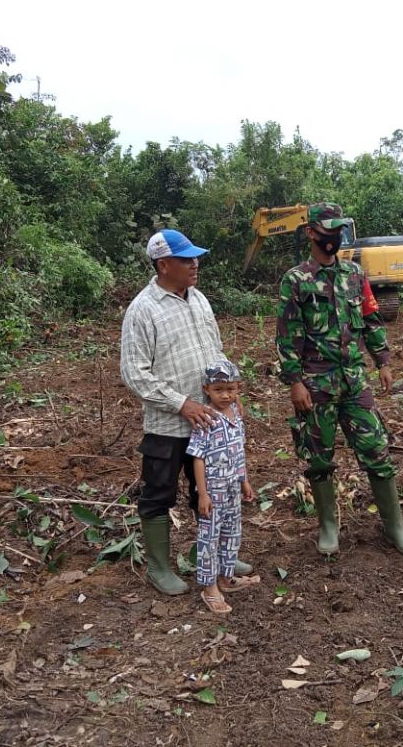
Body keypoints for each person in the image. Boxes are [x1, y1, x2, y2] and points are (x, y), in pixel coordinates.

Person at [275, 202, 403, 556]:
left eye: (338, 231)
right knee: (319, 456)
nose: (334, 238)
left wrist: (382, 360)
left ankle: (394, 526)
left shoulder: (354, 274)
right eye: (327, 231)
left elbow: (370, 318)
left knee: (376, 450)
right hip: (314, 384)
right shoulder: (296, 280)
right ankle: (328, 527)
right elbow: (287, 335)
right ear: (311, 232)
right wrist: (294, 382)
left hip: (354, 381)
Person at [121, 229, 252, 596]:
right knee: (159, 493)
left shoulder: (199, 300)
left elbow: (216, 349)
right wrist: (182, 403)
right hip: (168, 425)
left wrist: (228, 396)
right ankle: (159, 568)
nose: (195, 264)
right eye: (186, 259)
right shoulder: (143, 310)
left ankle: (210, 554)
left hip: (210, 422)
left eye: (195, 257)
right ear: (163, 265)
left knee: (208, 491)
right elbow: (134, 373)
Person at [188, 360, 262, 614]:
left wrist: (244, 480)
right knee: (209, 537)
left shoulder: (236, 416)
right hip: (214, 489)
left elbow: (238, 451)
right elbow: (197, 457)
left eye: (230, 389)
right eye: (219, 389)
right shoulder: (206, 419)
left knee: (232, 533)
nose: (226, 395)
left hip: (232, 487)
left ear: (238, 388)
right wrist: (203, 493)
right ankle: (209, 588)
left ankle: (225, 577)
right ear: (207, 389)